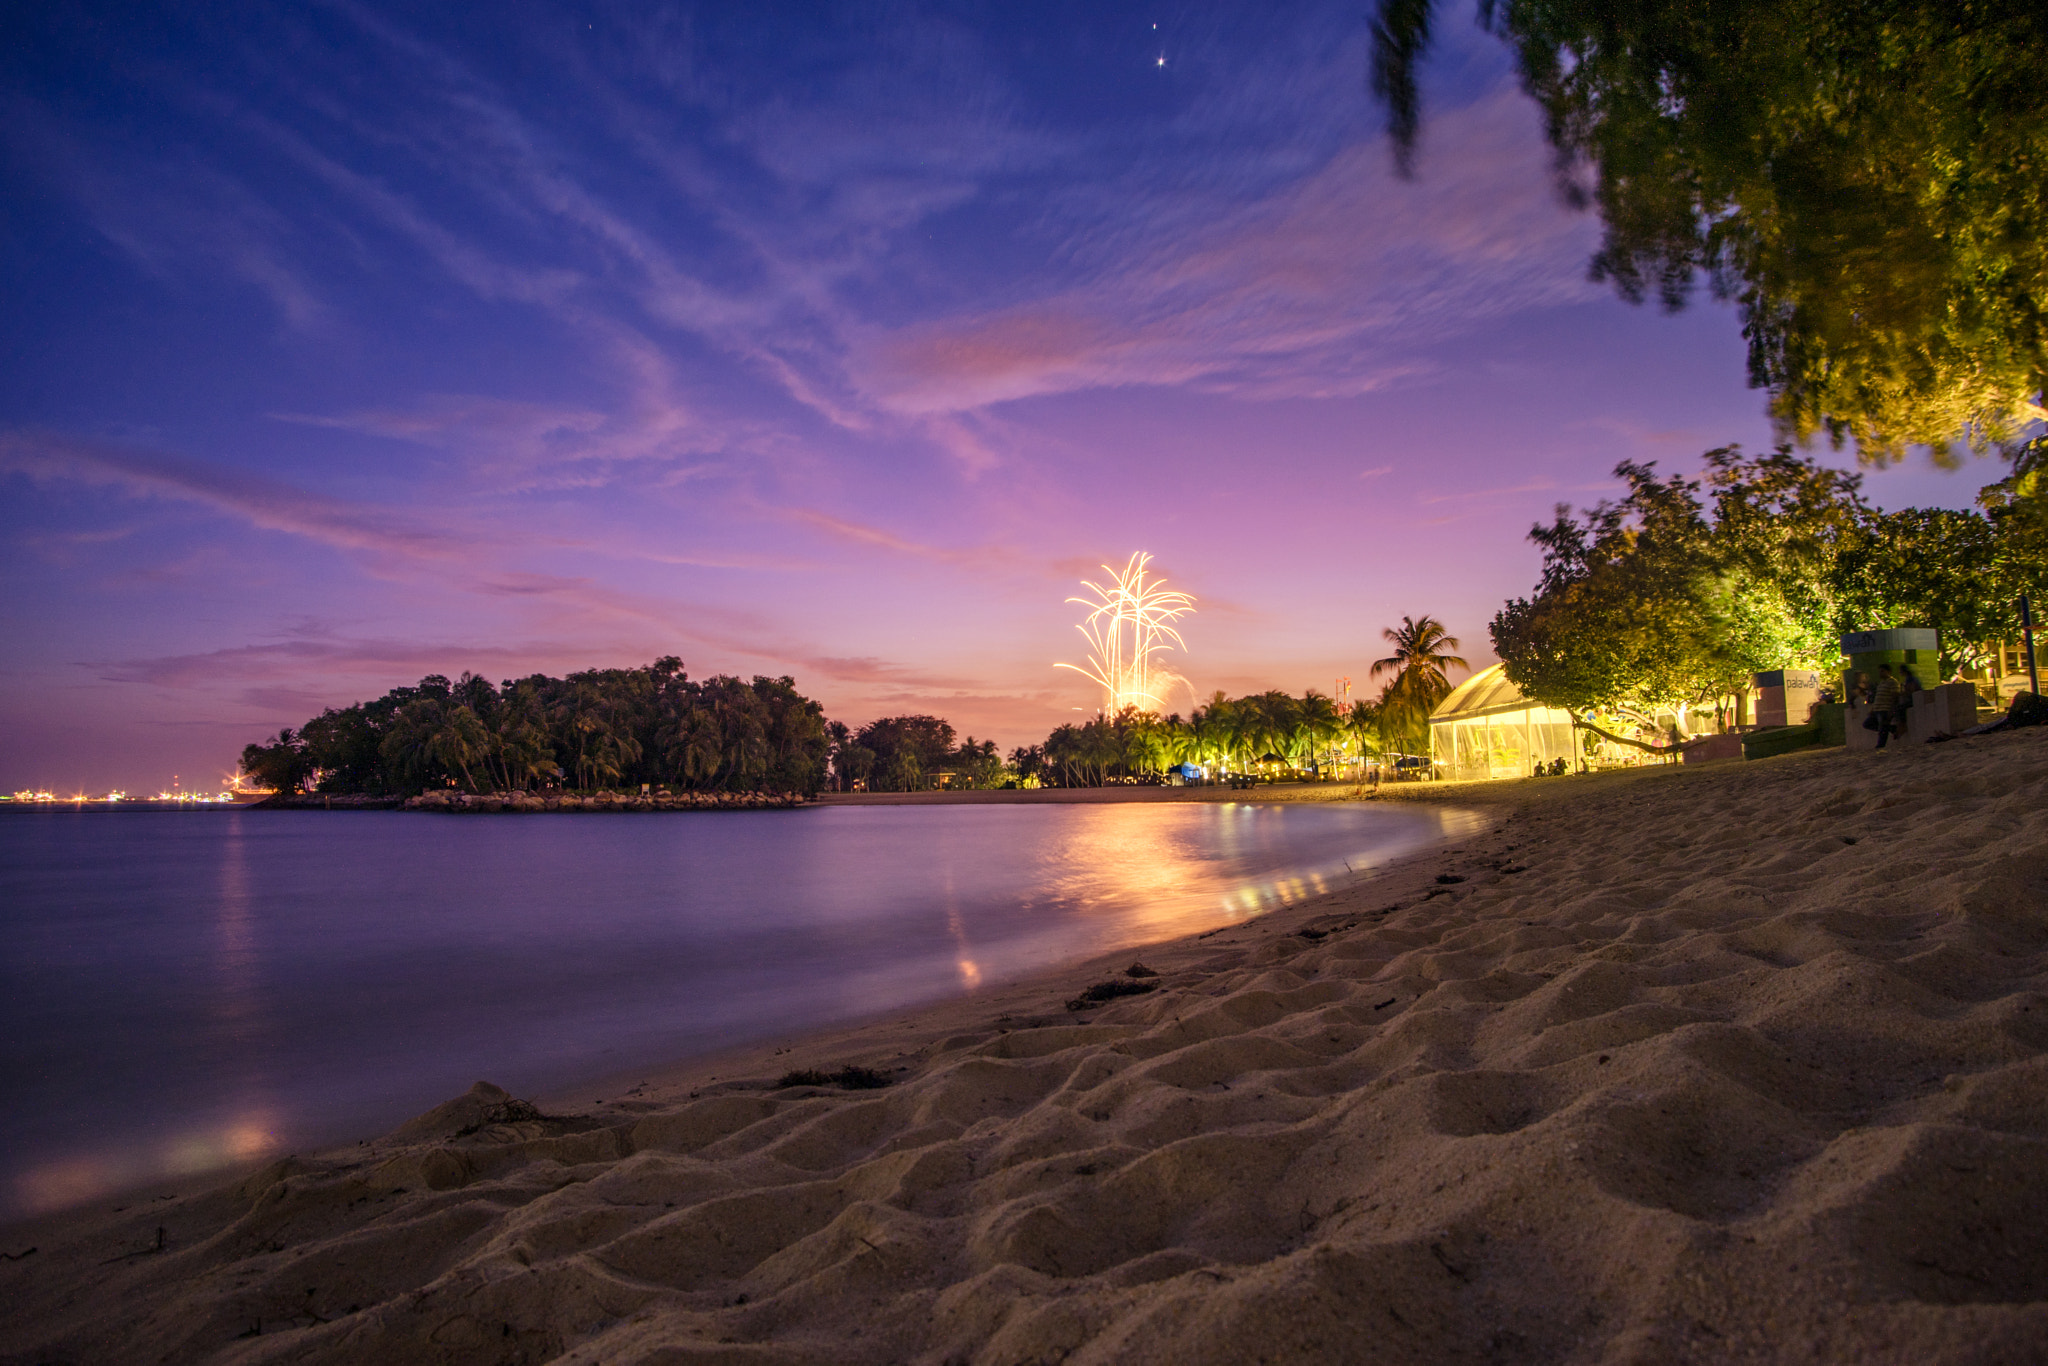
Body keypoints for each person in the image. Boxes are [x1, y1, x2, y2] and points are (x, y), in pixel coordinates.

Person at [1870, 664, 1902, 750]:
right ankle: (1892, 729)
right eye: (1879, 671)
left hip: (1885, 708)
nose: (1880, 673)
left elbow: (1895, 696)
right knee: (1868, 723)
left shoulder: (1893, 682)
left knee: (1882, 727)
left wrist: (1891, 709)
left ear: (1888, 672)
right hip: (1877, 709)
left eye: (1882, 671)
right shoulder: (1881, 683)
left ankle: (1880, 745)